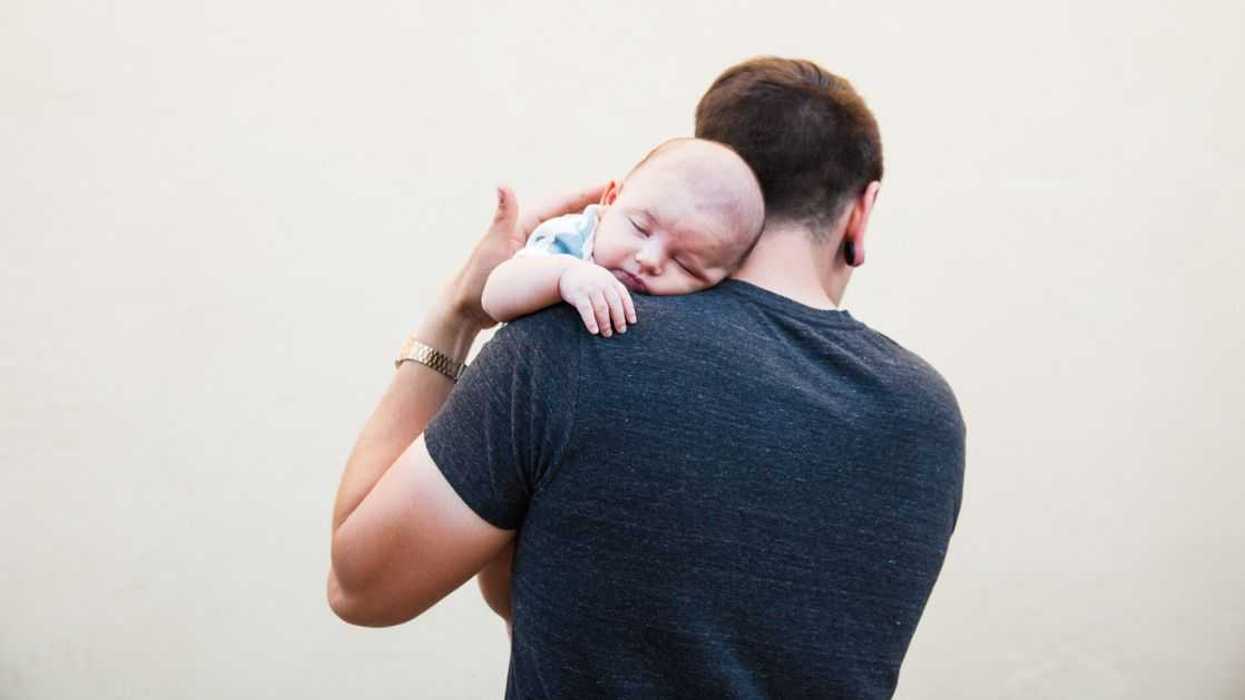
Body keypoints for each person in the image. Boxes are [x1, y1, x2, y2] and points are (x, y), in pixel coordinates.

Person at [328, 56, 966, 699]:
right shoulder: (926, 418)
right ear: (862, 213)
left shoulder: (574, 341)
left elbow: (360, 587)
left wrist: (459, 310)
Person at [481, 137, 765, 336]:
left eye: (685, 263)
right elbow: (494, 297)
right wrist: (563, 277)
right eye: (640, 228)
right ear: (612, 200)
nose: (649, 259)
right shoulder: (572, 239)